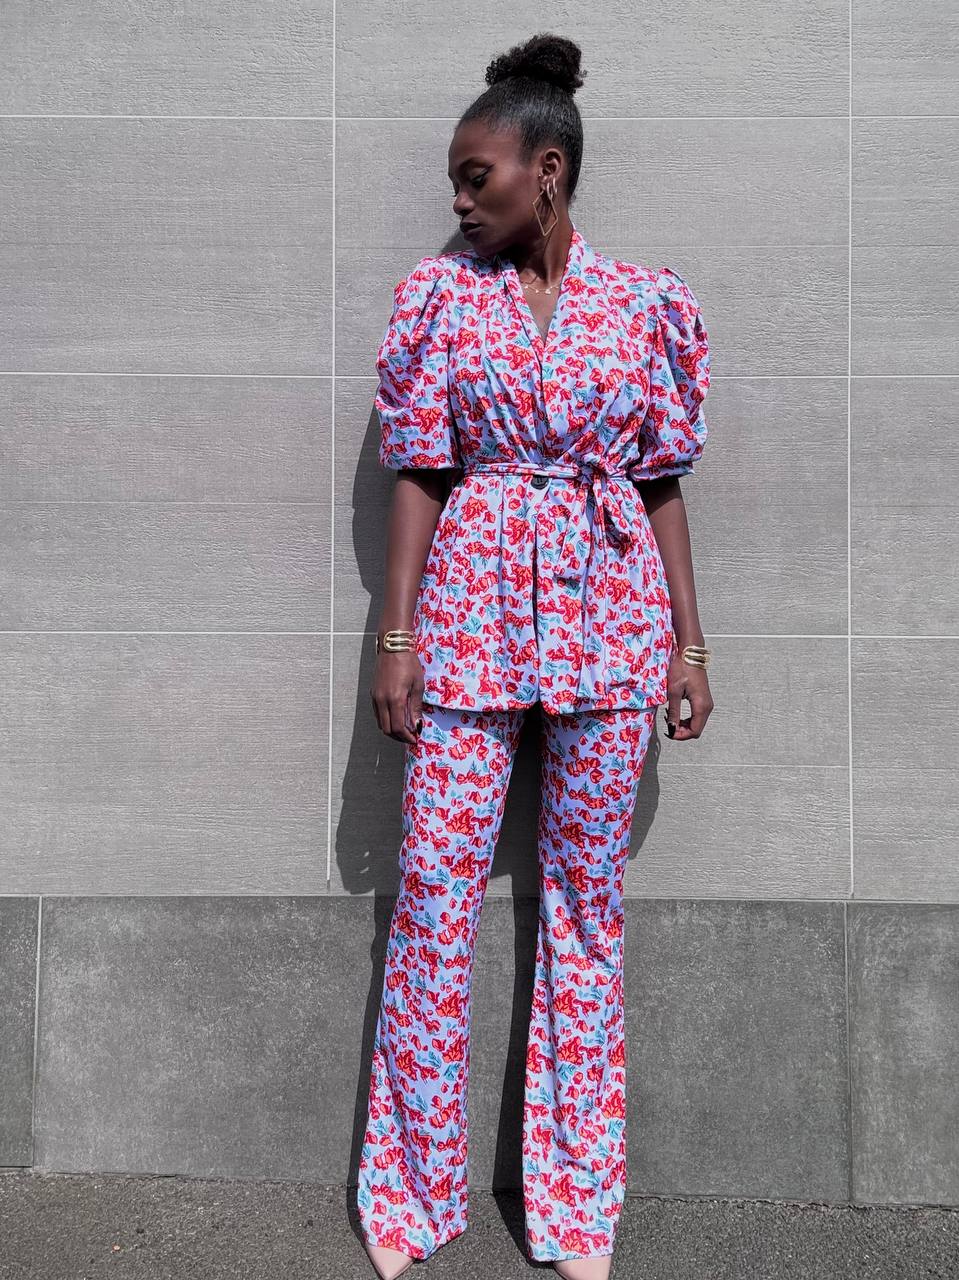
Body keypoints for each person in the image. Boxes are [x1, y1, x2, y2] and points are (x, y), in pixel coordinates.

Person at [356, 31, 714, 1280]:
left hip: (609, 622)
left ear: (544, 171)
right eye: (455, 182)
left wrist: (688, 643)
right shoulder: (440, 299)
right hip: (467, 619)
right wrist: (396, 636)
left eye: (477, 176)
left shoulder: (642, 306)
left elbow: (659, 482)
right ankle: (408, 1195)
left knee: (582, 908)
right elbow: (418, 468)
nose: (460, 200)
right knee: (433, 892)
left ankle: (573, 1205)